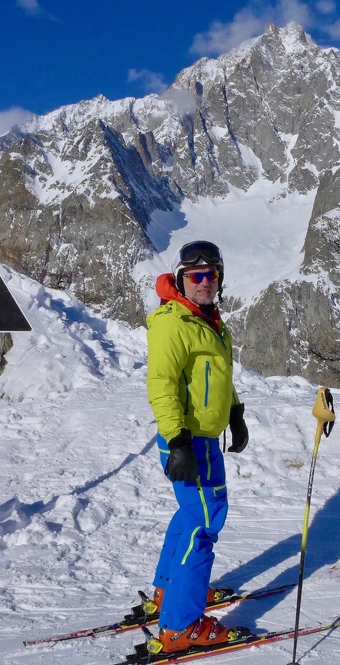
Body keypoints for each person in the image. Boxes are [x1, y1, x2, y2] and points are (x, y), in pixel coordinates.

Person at [144, 240, 250, 652]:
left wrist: (235, 412)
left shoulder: (210, 322)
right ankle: (182, 624)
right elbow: (162, 385)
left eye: (212, 275)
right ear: (181, 279)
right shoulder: (174, 323)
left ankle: (168, 592)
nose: (205, 282)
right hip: (188, 441)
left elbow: (219, 376)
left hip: (203, 438)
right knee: (205, 523)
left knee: (191, 516)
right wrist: (177, 440)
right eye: (196, 275)